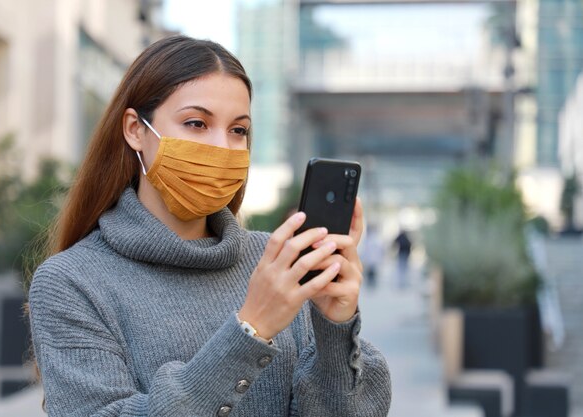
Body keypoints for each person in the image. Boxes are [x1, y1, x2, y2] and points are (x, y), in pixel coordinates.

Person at [27, 35, 391, 417]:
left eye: (238, 130)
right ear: (135, 129)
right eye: (196, 123)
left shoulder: (276, 261)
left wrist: (336, 328)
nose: (222, 147)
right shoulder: (71, 282)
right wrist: (251, 329)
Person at [360, 223, 385, 288]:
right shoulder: (377, 239)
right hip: (373, 258)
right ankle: (371, 283)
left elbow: (366, 250)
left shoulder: (369, 239)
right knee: (372, 271)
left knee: (371, 271)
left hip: (371, 258)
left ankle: (371, 283)